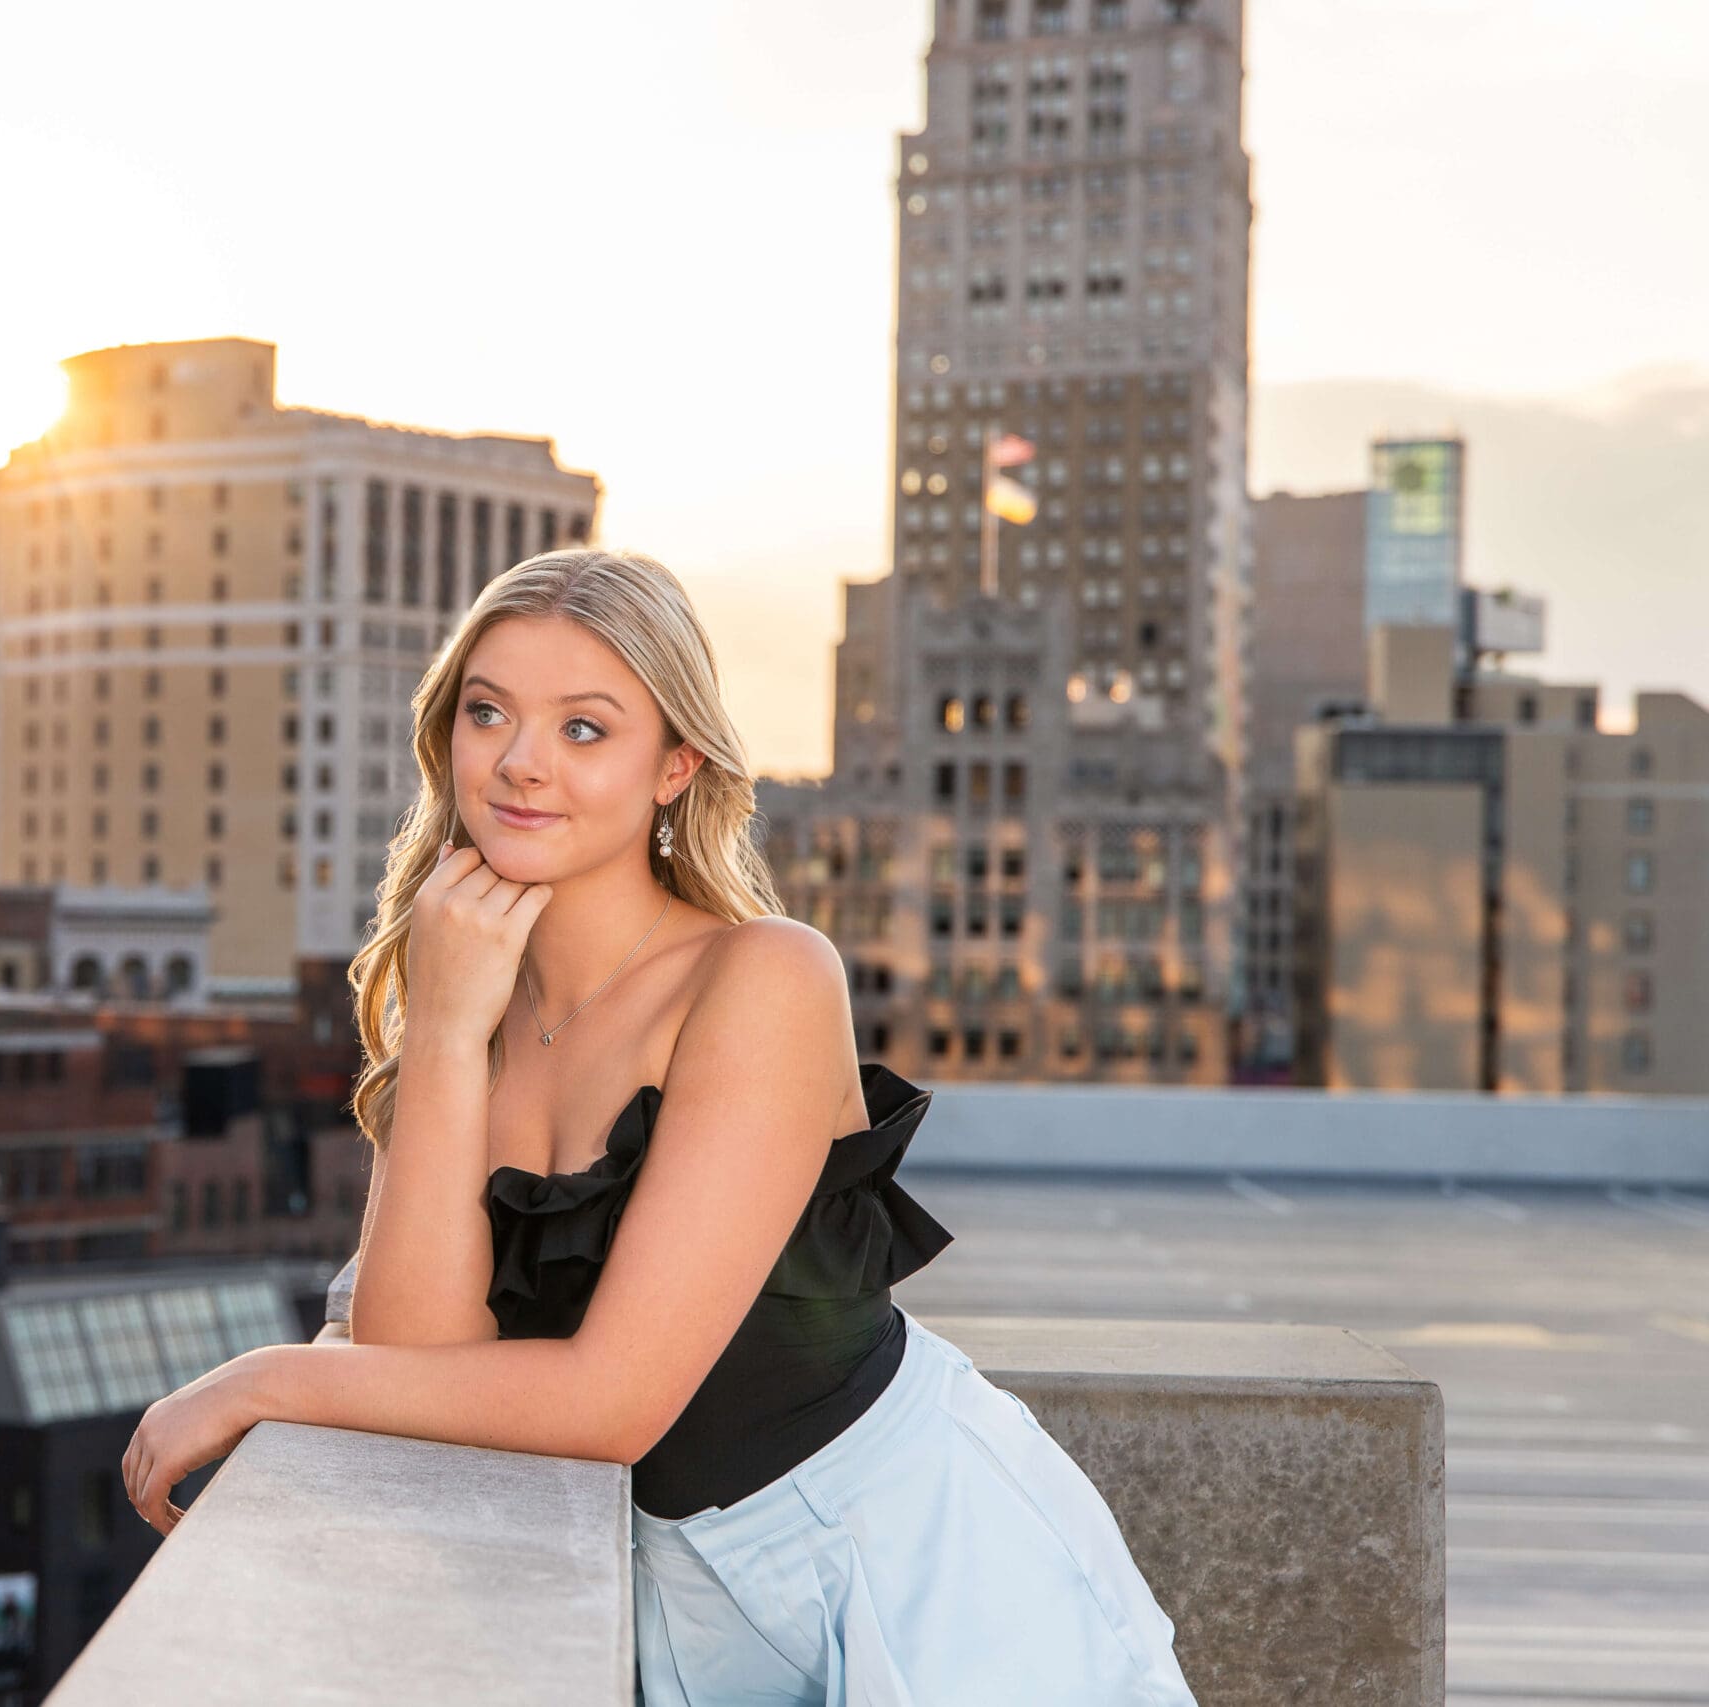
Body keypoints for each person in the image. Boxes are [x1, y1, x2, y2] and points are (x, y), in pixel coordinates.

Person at [123, 547, 1196, 1704]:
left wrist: (264, 1380)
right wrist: (438, 1033)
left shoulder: (764, 977)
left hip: (915, 1566)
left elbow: (614, 1402)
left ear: (675, 765)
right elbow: (418, 1368)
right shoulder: (462, 997)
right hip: (673, 1605)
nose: (522, 764)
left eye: (584, 729)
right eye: (488, 714)